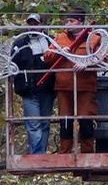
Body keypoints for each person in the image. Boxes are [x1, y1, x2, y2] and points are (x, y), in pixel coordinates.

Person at [42, 9, 101, 153]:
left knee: (86, 119)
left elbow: (101, 59)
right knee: (66, 121)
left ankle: (88, 153)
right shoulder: (60, 38)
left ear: (80, 22)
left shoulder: (94, 38)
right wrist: (60, 51)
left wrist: (86, 64)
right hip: (64, 86)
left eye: (71, 21)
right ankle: (65, 152)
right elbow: (47, 57)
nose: (67, 24)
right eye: (66, 21)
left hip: (85, 86)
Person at [10, 14, 53, 155]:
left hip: (47, 89)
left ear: (41, 25)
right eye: (30, 23)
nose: (33, 26)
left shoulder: (50, 41)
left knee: (45, 123)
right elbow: (12, 64)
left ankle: (42, 152)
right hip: (29, 90)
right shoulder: (20, 43)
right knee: (33, 124)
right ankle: (37, 154)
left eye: (35, 23)